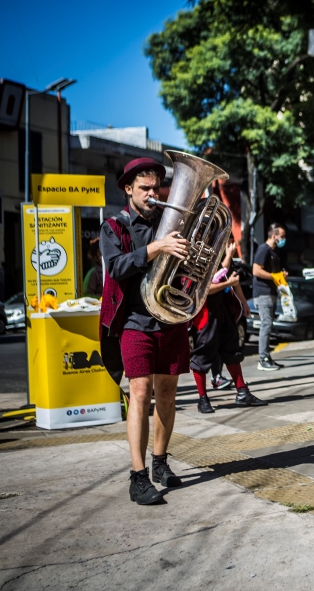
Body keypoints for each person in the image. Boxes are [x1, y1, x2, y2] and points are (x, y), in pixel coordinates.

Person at [99, 157, 189, 506]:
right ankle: (137, 476)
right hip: (135, 321)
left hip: (171, 319)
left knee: (167, 394)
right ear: (128, 189)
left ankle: (160, 462)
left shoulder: (172, 223)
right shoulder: (114, 227)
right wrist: (156, 248)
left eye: (156, 188)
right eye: (145, 189)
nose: (153, 195)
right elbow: (116, 268)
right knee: (140, 393)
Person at [191, 237, 266, 413]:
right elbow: (207, 288)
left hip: (224, 311)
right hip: (206, 314)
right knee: (202, 355)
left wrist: (243, 303)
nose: (230, 243)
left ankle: (242, 391)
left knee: (232, 351)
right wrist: (229, 274)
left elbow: (234, 279)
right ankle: (202, 398)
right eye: (227, 239)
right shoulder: (200, 256)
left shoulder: (225, 256)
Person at [251, 224, 287, 371]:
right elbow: (256, 270)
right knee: (266, 324)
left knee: (269, 324)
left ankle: (267, 357)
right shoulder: (263, 249)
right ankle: (263, 359)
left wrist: (281, 274)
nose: (284, 239)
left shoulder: (275, 251)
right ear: (274, 236)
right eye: (282, 236)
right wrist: (273, 276)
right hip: (262, 293)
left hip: (271, 292)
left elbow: (275, 272)